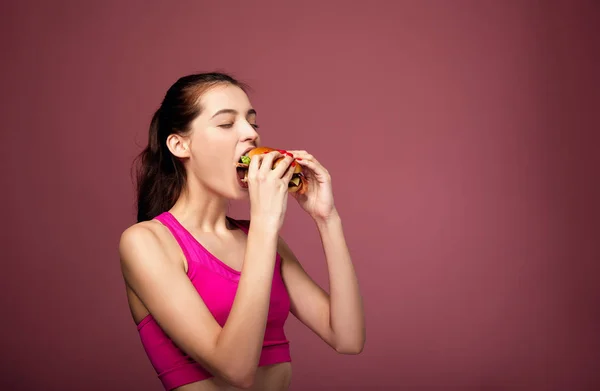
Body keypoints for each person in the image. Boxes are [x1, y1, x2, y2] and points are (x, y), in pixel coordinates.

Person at [118, 72, 365, 391]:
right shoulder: (146, 243)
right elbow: (235, 370)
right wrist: (264, 223)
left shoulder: (261, 239)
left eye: (253, 123)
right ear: (180, 144)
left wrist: (326, 218)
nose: (250, 134)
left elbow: (347, 338)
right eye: (226, 124)